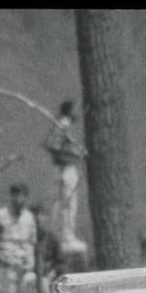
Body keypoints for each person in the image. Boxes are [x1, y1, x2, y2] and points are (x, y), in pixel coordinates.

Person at [43, 100, 86, 256]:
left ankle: (65, 236)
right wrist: (72, 153)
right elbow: (51, 144)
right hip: (65, 167)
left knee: (67, 203)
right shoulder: (63, 124)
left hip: (66, 167)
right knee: (68, 204)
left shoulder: (64, 125)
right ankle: (66, 238)